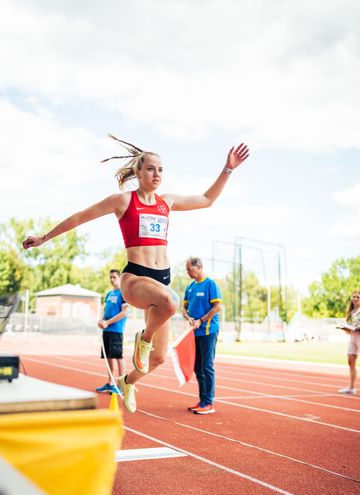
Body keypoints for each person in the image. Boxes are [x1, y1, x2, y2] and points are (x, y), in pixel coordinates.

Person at [22, 134, 249, 413]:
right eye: (151, 169)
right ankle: (143, 337)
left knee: (158, 359)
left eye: (161, 170)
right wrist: (44, 238)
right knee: (171, 301)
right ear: (138, 172)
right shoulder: (122, 201)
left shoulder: (168, 202)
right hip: (136, 278)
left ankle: (127, 381)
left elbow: (206, 199)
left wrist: (228, 169)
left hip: (162, 280)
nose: (157, 174)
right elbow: (81, 216)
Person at [182, 257, 222, 414]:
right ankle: (202, 400)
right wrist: (189, 318)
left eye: (189, 269)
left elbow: (217, 306)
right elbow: (184, 309)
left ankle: (209, 402)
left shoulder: (210, 284)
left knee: (207, 366)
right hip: (194, 331)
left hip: (208, 330)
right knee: (197, 367)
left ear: (198, 267)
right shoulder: (190, 287)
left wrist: (202, 320)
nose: (187, 272)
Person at [96, 269, 128, 395]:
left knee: (118, 357)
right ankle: (110, 383)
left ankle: (122, 385)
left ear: (120, 278)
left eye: (114, 277)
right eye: (110, 277)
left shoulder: (123, 293)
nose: (112, 279)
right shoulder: (109, 294)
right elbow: (104, 310)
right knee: (108, 357)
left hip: (116, 330)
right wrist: (101, 320)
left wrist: (108, 322)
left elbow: (124, 313)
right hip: (106, 329)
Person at [338, 291, 360, 395]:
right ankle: (351, 387)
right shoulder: (351, 312)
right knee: (350, 361)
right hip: (353, 338)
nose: (355, 298)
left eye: (358, 297)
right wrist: (345, 327)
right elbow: (350, 327)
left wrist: (356, 328)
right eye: (354, 297)